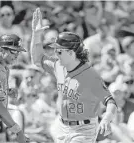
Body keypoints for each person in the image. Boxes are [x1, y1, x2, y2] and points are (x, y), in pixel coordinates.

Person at [31, 8, 118, 143]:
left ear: (71, 53)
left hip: (84, 129)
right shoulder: (58, 66)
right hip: (61, 126)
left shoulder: (90, 75)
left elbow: (111, 102)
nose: (55, 54)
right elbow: (37, 59)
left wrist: (106, 119)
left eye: (59, 51)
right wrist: (36, 36)